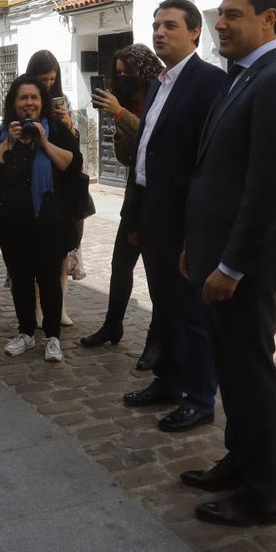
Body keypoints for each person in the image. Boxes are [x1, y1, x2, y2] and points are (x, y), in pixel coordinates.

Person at [182, 0, 276, 529]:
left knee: (251, 375)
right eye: (220, 13)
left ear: (268, 19)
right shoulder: (243, 77)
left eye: (233, 14)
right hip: (216, 255)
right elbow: (217, 174)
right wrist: (198, 246)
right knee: (231, 372)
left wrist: (230, 264)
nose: (220, 23)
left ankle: (264, 493)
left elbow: (265, 188)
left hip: (244, 267)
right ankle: (240, 461)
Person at [119, 0, 225, 432]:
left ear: (195, 32)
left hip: (185, 221)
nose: (159, 33)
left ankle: (200, 397)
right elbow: (147, 154)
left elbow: (209, 162)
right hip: (151, 213)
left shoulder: (209, 82)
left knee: (191, 313)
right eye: (155, 26)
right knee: (164, 307)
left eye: (170, 26)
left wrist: (195, 232)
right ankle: (168, 381)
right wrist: (134, 219)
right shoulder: (160, 84)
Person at [0, 75, 83, 361]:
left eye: (34, 98)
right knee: (21, 279)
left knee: (50, 280)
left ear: (42, 102)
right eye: (23, 98)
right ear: (14, 103)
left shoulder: (57, 130)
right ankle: (25, 332)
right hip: (12, 223)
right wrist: (8, 144)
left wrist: (44, 142)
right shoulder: (1, 134)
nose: (29, 103)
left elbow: (72, 165)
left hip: (50, 222)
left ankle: (52, 337)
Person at [85, 43, 164, 365]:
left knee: (159, 277)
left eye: (127, 73)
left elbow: (156, 138)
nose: (123, 79)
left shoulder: (162, 95)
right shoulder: (130, 100)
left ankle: (156, 341)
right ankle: (112, 324)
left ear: (143, 69)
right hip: (135, 198)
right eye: (119, 75)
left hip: (160, 200)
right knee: (121, 267)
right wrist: (119, 126)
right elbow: (126, 159)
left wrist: (120, 114)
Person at [25, 48, 87, 326]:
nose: (48, 85)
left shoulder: (63, 105)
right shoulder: (25, 100)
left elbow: (75, 147)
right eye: (43, 79)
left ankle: (59, 306)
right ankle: (38, 305)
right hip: (34, 183)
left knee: (62, 249)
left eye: (52, 79)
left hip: (63, 184)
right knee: (35, 252)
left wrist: (69, 126)